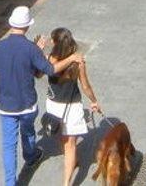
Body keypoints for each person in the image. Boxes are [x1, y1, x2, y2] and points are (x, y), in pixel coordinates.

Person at [0, 6, 84, 185]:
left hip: (5, 103)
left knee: (9, 145)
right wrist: (71, 58)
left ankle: (10, 182)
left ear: (12, 24)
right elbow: (50, 69)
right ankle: (31, 155)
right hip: (27, 103)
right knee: (27, 132)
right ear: (26, 27)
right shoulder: (31, 49)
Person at [45, 28, 103, 186]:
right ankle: (66, 183)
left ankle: (71, 162)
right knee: (70, 145)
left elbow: (41, 70)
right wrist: (94, 101)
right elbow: (85, 85)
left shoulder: (50, 59)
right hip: (71, 107)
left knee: (62, 140)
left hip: (53, 104)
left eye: (52, 39)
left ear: (56, 42)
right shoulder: (78, 62)